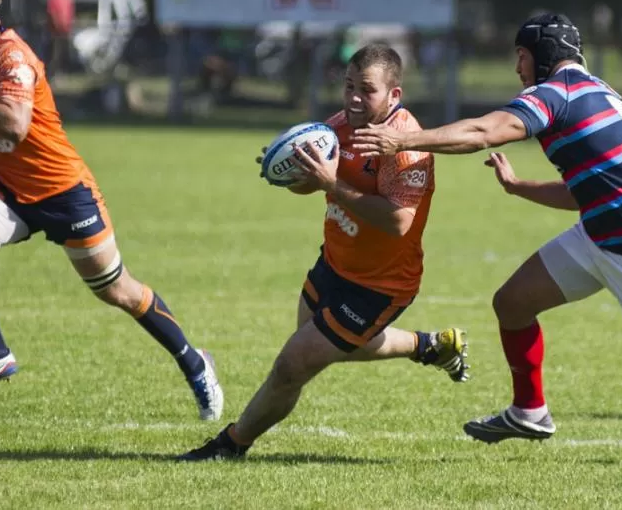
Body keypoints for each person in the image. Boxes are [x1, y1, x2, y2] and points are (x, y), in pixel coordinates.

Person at [349, 14, 622, 465]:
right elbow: (584, 193)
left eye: (520, 58)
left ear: (536, 56)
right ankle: (530, 412)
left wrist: (404, 140)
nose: (517, 70)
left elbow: (484, 131)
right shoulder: (596, 91)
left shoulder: (554, 95)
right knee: (512, 303)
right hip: (600, 237)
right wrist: (519, 186)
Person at [0, 0, 223, 421]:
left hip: (65, 192)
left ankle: (194, 362)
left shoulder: (14, 57)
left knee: (118, 290)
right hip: (11, 191)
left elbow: (13, 123)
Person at [177, 44, 469, 461]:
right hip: (334, 263)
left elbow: (398, 220)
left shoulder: (407, 147)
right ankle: (429, 346)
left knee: (291, 366)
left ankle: (230, 445)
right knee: (325, 349)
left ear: (393, 96)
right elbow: (310, 183)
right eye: (348, 85)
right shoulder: (338, 126)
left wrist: (332, 185)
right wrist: (289, 171)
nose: (353, 97)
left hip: (380, 285)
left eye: (366, 90)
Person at [45, 0, 74, 84]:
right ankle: (53, 75)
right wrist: (57, 25)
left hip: (65, 29)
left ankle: (63, 73)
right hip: (56, 31)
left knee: (64, 53)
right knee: (55, 54)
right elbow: (52, 13)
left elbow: (70, 13)